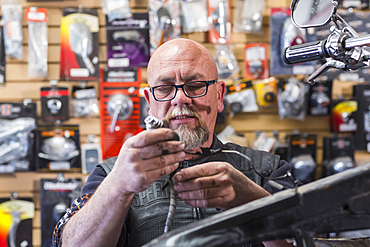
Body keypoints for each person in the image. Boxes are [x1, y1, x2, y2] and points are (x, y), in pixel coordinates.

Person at [53, 38, 294, 247]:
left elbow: (306, 240)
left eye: (195, 85)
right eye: (165, 88)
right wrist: (117, 186)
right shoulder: (111, 175)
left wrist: (254, 201)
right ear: (150, 101)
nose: (180, 98)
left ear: (219, 95)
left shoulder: (267, 169)